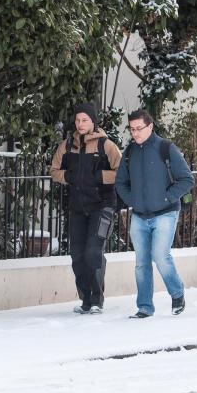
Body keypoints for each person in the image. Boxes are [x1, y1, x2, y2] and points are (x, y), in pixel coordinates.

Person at [115, 109, 193, 318]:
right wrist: (132, 201)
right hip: (139, 216)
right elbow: (120, 182)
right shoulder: (130, 152)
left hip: (165, 213)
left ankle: (177, 294)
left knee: (160, 256)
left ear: (150, 126)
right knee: (141, 263)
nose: (135, 133)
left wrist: (167, 198)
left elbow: (187, 179)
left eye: (139, 128)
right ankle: (145, 307)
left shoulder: (166, 148)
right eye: (132, 129)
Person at [50, 102, 122, 314]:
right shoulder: (66, 146)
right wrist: (70, 177)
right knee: (77, 255)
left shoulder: (106, 145)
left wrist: (98, 176)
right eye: (77, 120)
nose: (80, 124)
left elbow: (121, 173)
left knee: (93, 252)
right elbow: (54, 170)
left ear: (93, 122)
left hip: (102, 206)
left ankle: (97, 300)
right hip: (78, 208)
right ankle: (86, 300)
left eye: (85, 120)